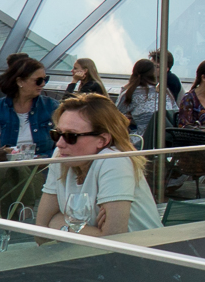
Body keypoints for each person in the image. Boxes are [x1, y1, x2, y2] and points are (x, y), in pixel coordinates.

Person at [36, 94, 162, 236]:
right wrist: (87, 232)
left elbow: (113, 241)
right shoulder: (62, 155)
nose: (59, 143)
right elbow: (40, 232)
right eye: (57, 134)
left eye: (71, 136)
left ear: (102, 140)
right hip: (89, 253)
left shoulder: (114, 160)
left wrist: (59, 225)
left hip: (146, 252)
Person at [0, 57, 58, 217]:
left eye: (46, 79)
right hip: (0, 167)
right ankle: (25, 215)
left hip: (39, 167)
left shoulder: (51, 107)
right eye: (38, 80)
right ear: (20, 82)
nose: (43, 84)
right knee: (13, 171)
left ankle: (9, 222)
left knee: (14, 175)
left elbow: (61, 142)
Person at [117, 59, 162, 142]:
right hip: (166, 140)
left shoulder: (131, 93)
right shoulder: (164, 92)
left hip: (142, 141)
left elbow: (115, 117)